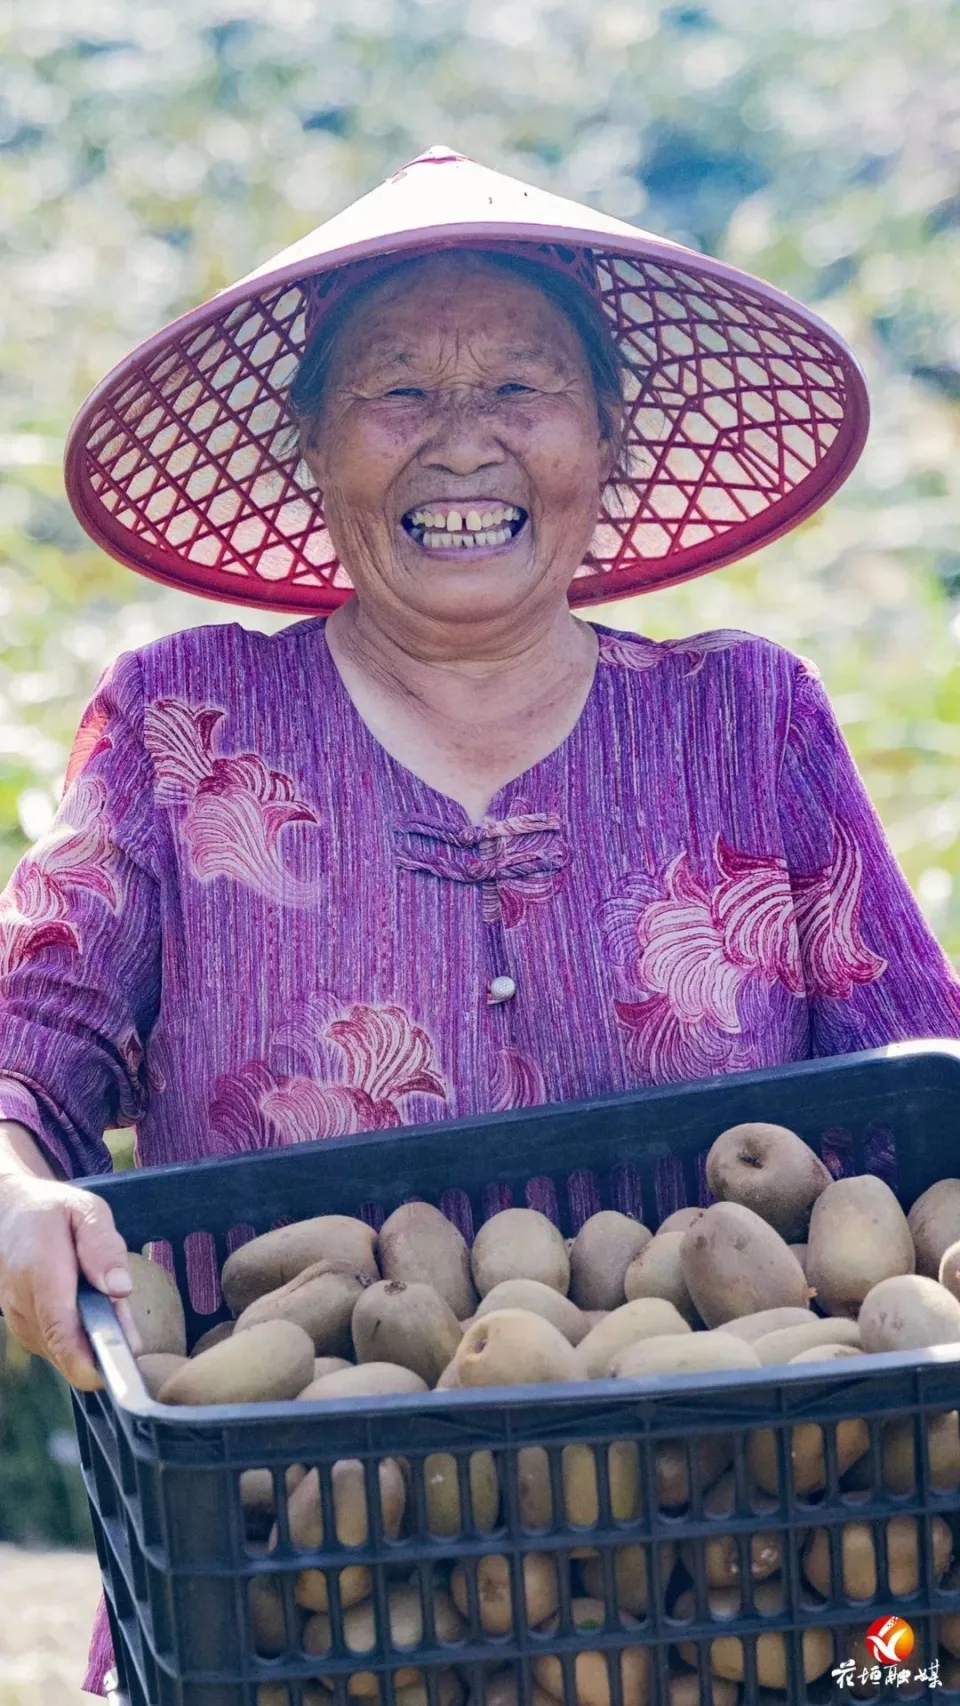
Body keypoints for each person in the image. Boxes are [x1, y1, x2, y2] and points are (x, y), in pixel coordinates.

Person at [0, 145, 958, 1698]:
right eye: (398, 395)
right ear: (314, 449)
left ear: (605, 441)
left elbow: (928, 1081)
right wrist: (13, 1192)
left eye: (521, 388)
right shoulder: (184, 724)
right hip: (275, 1587)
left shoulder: (750, 718)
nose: (465, 446)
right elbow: (21, 1061)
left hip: (727, 1588)